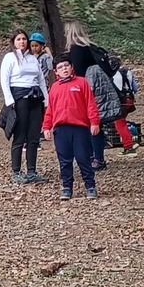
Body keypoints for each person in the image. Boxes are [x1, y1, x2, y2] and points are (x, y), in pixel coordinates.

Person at [42, 57, 101, 201]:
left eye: (66, 65)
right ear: (56, 72)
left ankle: (90, 186)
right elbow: (50, 109)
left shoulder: (82, 82)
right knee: (64, 160)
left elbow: (91, 104)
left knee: (83, 158)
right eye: (60, 67)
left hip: (80, 127)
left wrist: (94, 122)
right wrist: (46, 126)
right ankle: (67, 187)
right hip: (61, 129)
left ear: (71, 67)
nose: (64, 69)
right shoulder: (55, 87)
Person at [0, 29, 48, 184]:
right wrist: (9, 99)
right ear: (14, 42)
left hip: (35, 97)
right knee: (19, 135)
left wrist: (46, 101)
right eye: (19, 39)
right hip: (19, 98)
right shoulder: (10, 57)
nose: (22, 42)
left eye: (24, 39)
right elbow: (4, 79)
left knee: (33, 136)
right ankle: (16, 171)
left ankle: (31, 171)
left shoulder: (33, 59)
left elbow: (41, 80)